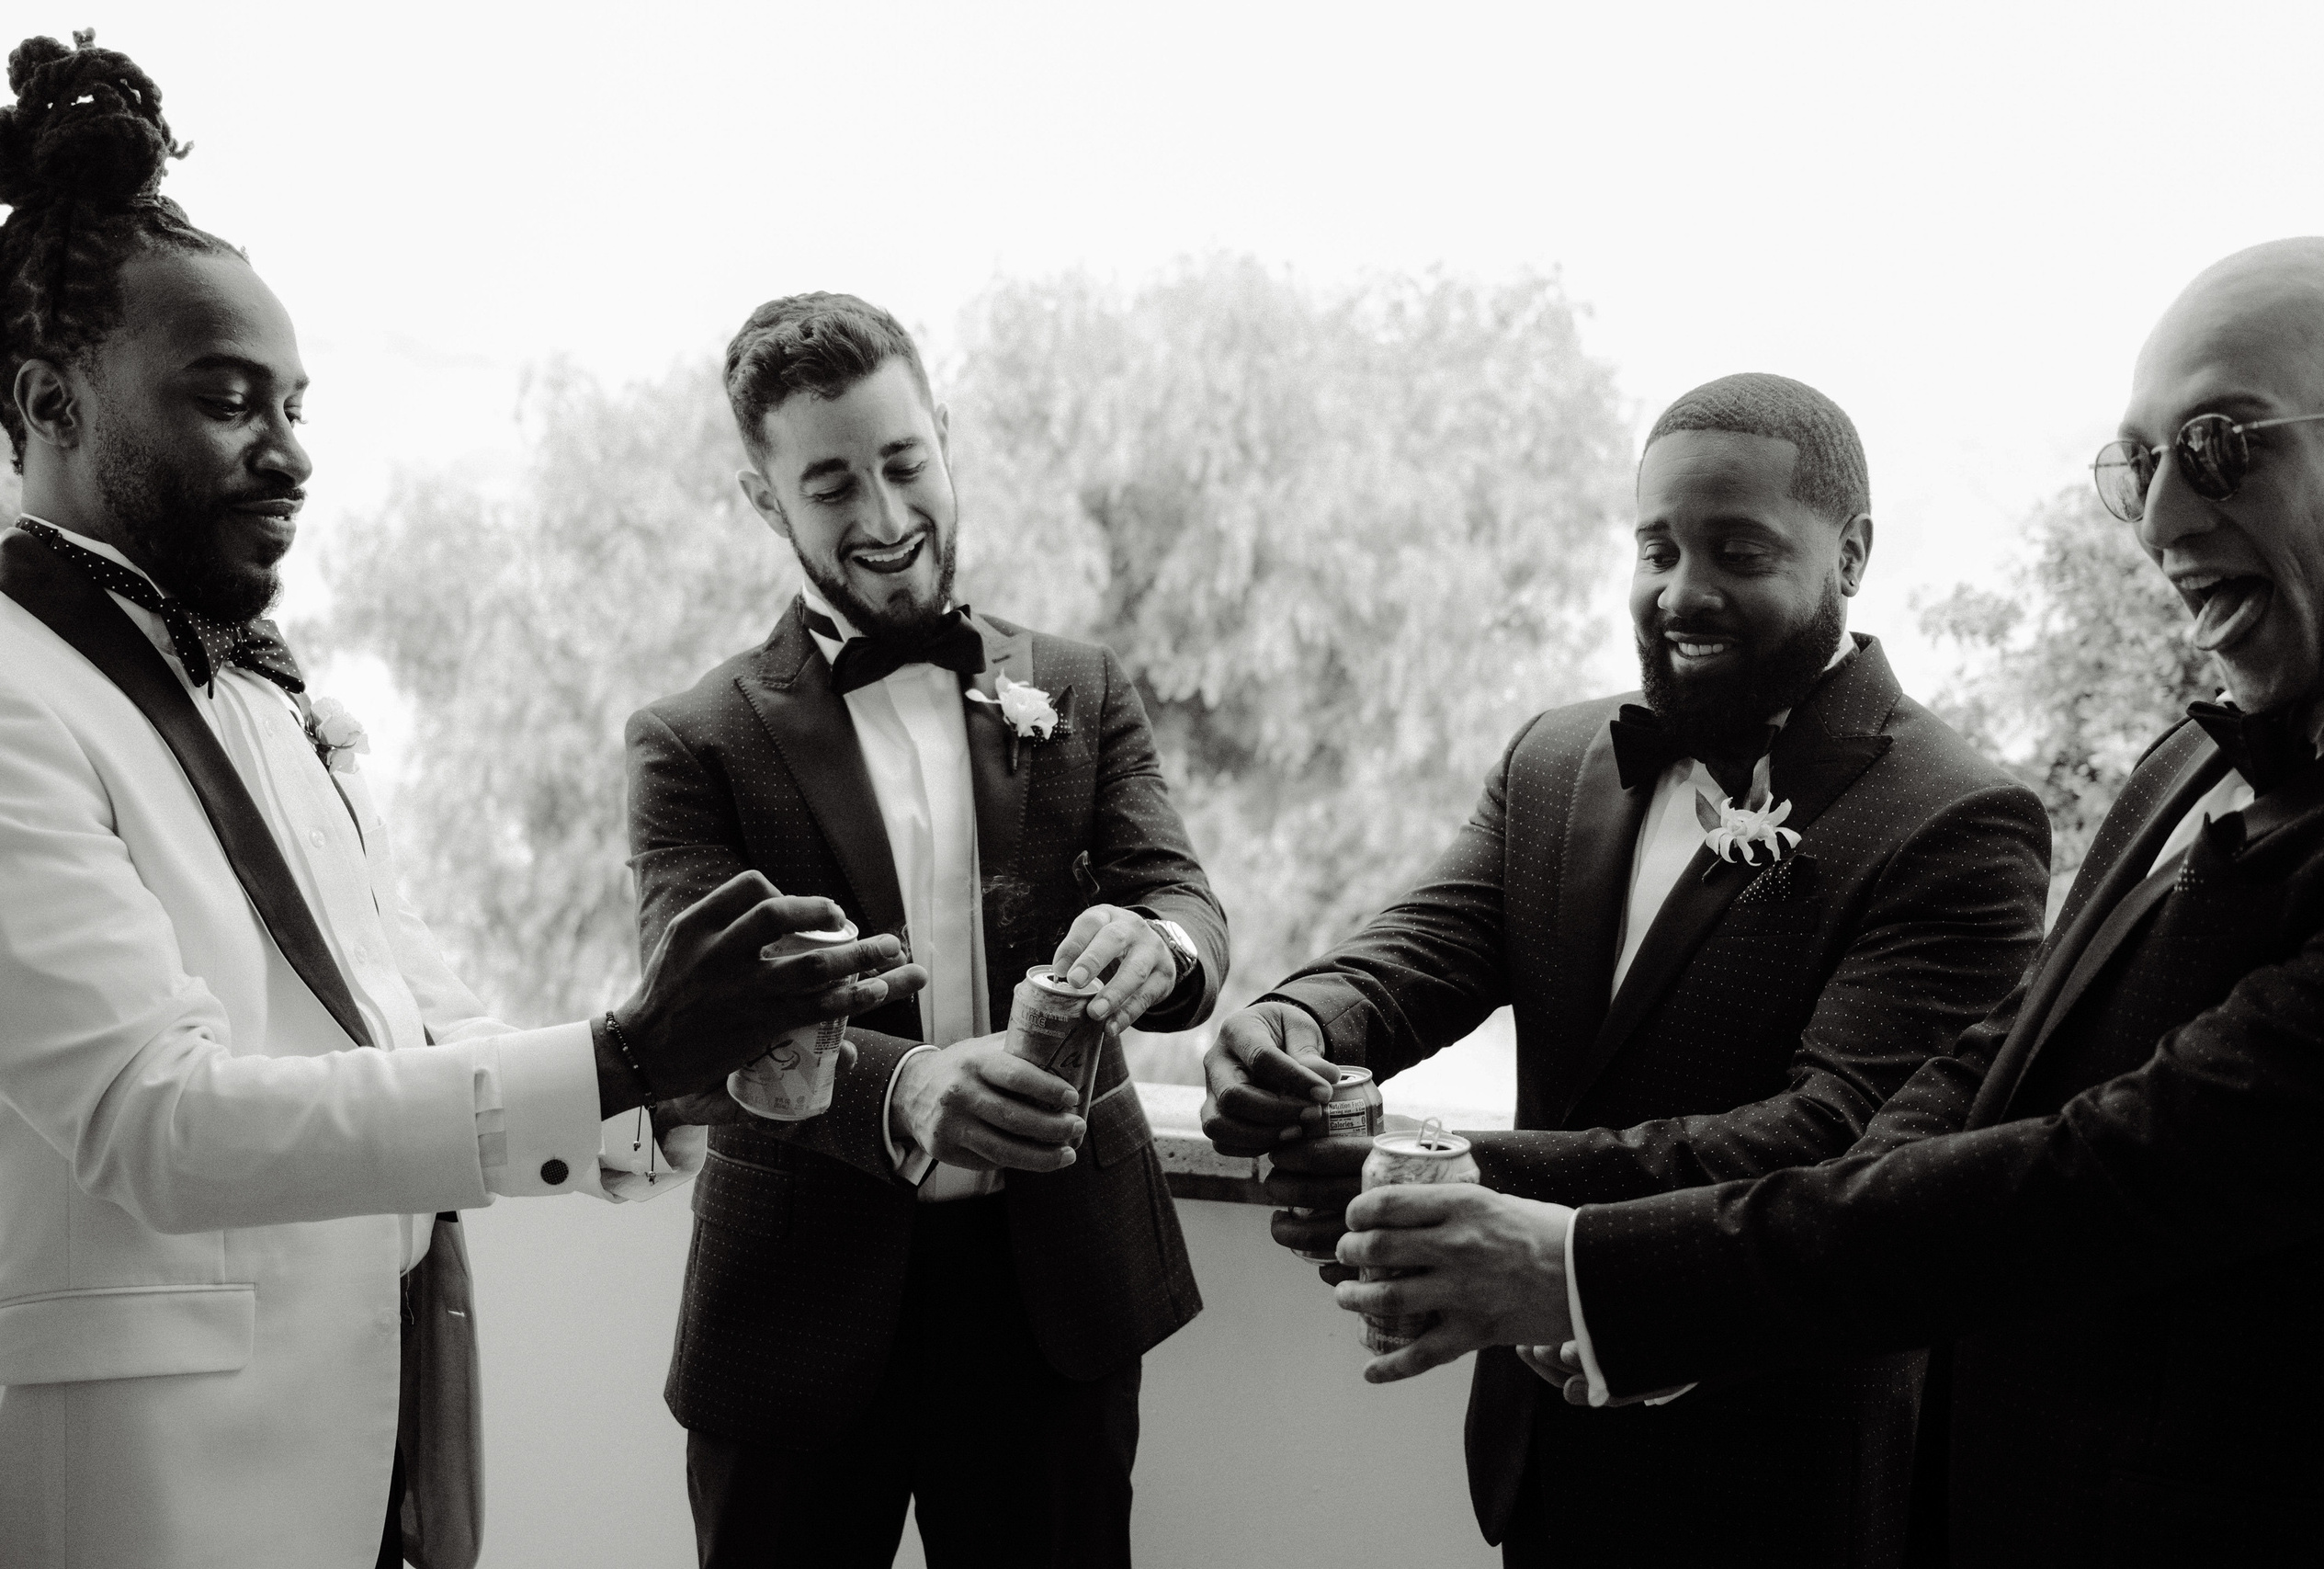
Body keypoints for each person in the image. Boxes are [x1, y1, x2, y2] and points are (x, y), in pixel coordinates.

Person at [0, 34, 924, 1569]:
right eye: (230, 400)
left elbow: (406, 1036)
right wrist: (626, 1048)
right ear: (47, 402)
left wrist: (674, 1076)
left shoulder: (269, 693)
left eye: (295, 402)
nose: (290, 452)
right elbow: (152, 1121)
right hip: (159, 1491)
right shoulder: (15, 697)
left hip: (381, 1455)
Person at [1337, 237, 2324, 1566]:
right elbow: (1995, 1065)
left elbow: (2096, 1174)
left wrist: (1594, 1272)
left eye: (2219, 445)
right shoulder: (2197, 753)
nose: (2161, 521)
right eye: (2140, 464)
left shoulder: (1959, 810)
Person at [1202, 372, 2050, 1566]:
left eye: (1738, 551)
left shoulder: (1956, 820)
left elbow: (1836, 1140)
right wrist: (1295, 1024)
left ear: (1851, 553)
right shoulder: (1556, 758)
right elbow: (1418, 956)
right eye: (1658, 546)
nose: (1682, 590)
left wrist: (1430, 1174)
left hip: (1772, 1472)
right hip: (1542, 1453)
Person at [625, 290, 1228, 1568]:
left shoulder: (1079, 685)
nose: (887, 519)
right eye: (833, 484)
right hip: (796, 1306)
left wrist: (1159, 946)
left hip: (1053, 1295)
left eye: (905, 464)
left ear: (944, 438)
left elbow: (1184, 901)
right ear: (765, 501)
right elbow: (704, 1029)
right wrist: (904, 1092)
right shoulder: (692, 743)